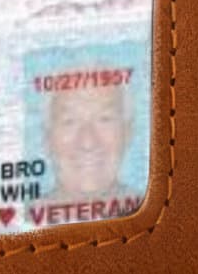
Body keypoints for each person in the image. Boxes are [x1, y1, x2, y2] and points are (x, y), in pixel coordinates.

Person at [43, 75, 137, 204]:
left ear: (127, 133)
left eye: (104, 119)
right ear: (48, 139)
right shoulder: (22, 219)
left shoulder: (157, 211)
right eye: (70, 121)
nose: (88, 143)